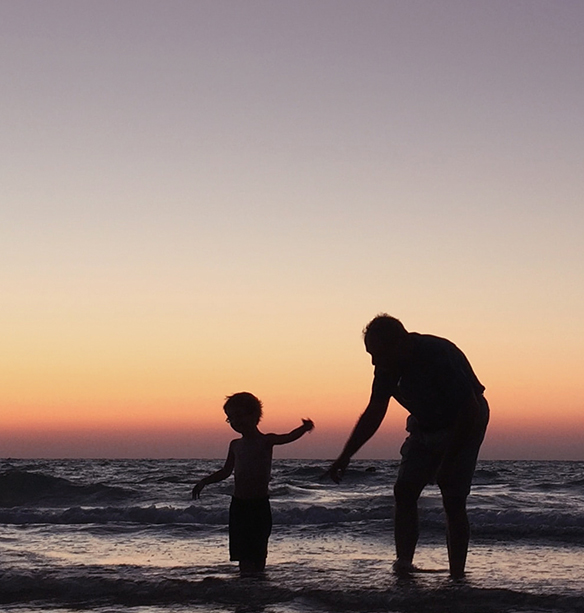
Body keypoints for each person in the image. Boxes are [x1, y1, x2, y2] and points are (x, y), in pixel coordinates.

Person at [327, 315, 489, 579]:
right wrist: (345, 456)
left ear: (400, 343)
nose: (374, 362)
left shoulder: (438, 354)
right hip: (424, 425)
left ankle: (457, 575)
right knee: (404, 491)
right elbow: (374, 411)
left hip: (465, 420)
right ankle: (404, 565)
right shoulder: (386, 367)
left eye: (378, 354)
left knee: (453, 498)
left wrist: (448, 461)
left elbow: (469, 410)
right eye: (370, 355)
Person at [192, 391, 314, 574]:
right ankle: (246, 589)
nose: (235, 421)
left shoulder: (266, 441)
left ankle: (258, 587)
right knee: (242, 553)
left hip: (259, 505)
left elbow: (288, 437)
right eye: (230, 418)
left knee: (258, 552)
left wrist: (304, 428)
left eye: (240, 415)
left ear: (255, 416)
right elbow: (226, 471)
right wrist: (204, 481)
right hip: (239, 506)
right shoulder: (235, 445)